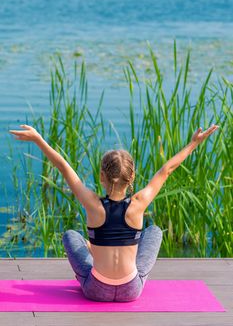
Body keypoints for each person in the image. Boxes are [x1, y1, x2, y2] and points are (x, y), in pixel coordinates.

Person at [9, 123, 219, 302]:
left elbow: (63, 166)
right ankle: (109, 254)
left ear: (102, 176)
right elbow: (167, 170)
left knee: (71, 236)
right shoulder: (139, 203)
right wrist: (194, 143)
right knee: (154, 231)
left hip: (95, 290)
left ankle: (94, 248)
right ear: (132, 177)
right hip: (131, 290)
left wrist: (38, 139)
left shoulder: (92, 204)